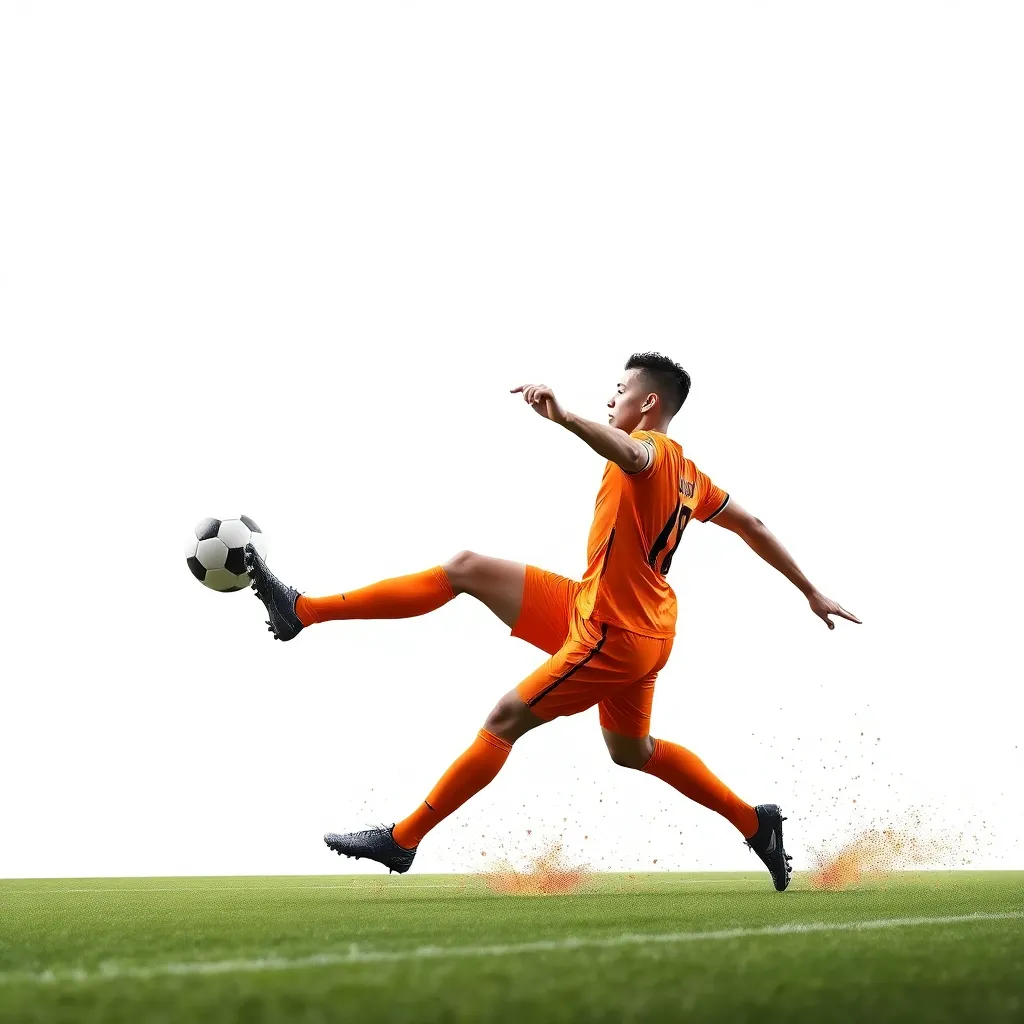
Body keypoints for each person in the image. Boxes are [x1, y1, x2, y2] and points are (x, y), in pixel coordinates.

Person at [244, 352, 860, 891]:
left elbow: (625, 449)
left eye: (619, 391)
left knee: (503, 721)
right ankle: (758, 823)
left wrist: (565, 419)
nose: (610, 398)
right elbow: (751, 525)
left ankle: (403, 839)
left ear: (648, 403)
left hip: (614, 634)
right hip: (613, 612)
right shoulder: (691, 475)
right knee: (471, 573)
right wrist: (810, 590)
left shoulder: (649, 452)